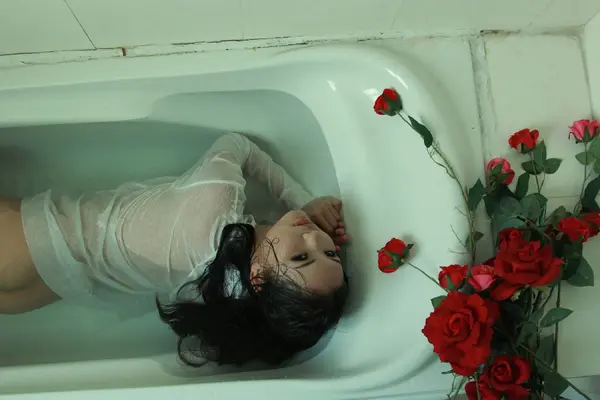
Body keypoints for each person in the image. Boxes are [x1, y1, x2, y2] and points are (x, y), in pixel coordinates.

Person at [0, 131, 349, 366]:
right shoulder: (227, 295)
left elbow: (237, 143)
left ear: (258, 278)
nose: (315, 238)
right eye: (330, 253)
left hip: (25, 241)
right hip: (58, 284)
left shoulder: (217, 199)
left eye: (301, 256)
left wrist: (300, 200)